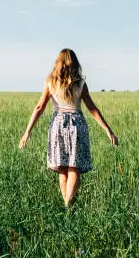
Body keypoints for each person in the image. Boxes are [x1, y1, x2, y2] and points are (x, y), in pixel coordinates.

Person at [19, 48, 118, 208]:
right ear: (75, 63)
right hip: (76, 125)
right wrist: (108, 129)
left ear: (58, 63)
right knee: (74, 167)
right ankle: (68, 205)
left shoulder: (50, 82)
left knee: (62, 167)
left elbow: (39, 108)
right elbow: (92, 108)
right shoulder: (80, 83)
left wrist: (26, 133)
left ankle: (67, 206)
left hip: (57, 125)